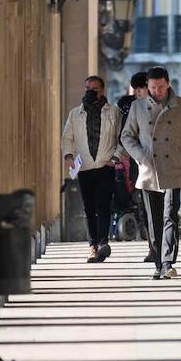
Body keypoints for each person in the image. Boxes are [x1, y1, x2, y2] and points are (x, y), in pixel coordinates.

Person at [121, 66, 181, 280]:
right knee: (154, 220)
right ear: (148, 86)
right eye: (153, 87)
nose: (157, 91)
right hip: (148, 170)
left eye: (161, 86)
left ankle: (168, 262)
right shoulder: (137, 107)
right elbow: (126, 136)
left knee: (170, 215)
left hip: (173, 168)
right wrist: (142, 157)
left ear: (168, 84)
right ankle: (159, 264)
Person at [61, 75, 124, 262]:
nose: (90, 92)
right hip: (84, 167)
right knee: (89, 208)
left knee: (103, 206)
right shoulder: (75, 114)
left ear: (102, 91)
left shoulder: (114, 112)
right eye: (87, 88)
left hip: (105, 165)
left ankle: (103, 242)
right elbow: (67, 137)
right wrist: (68, 156)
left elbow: (122, 137)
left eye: (94, 89)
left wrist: (115, 158)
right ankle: (93, 246)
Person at [117, 72, 156, 264]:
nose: (139, 91)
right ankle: (152, 247)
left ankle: (161, 245)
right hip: (137, 162)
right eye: (136, 88)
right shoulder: (127, 106)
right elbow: (123, 134)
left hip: (159, 161)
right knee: (143, 206)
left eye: (142, 87)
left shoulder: (160, 103)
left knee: (161, 206)